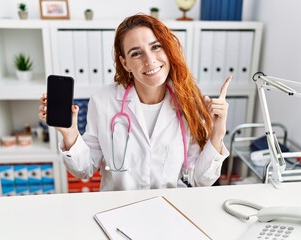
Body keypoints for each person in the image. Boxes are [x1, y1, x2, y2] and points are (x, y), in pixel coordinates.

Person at [39, 14, 232, 191]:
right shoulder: (103, 101)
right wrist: (70, 133)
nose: (150, 60)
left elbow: (200, 180)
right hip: (118, 212)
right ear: (125, 63)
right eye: (136, 53)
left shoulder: (188, 99)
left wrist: (218, 133)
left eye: (156, 47)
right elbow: (84, 170)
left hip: (169, 211)